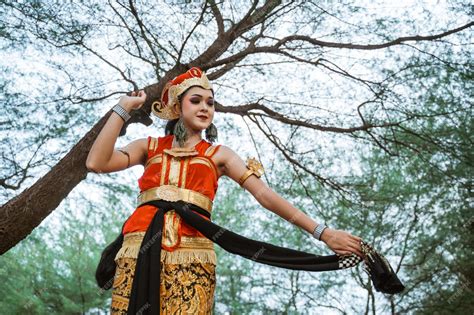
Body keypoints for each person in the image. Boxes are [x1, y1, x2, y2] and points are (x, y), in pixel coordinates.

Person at [86, 67, 365, 314]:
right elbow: (96, 162)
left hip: (194, 251)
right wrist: (122, 109)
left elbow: (265, 197)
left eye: (210, 102)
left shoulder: (219, 155)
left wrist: (323, 233)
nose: (205, 107)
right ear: (176, 107)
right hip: (139, 245)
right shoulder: (148, 147)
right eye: (195, 101)